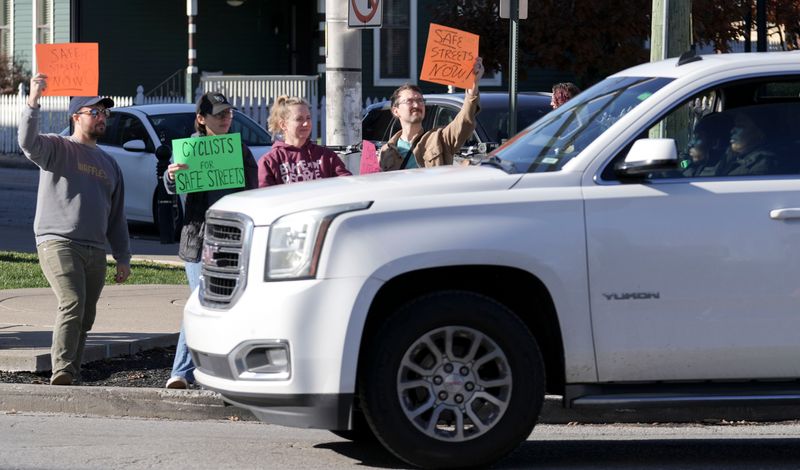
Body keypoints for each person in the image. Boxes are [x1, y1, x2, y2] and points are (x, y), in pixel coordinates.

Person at [18, 73, 131, 386]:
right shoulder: (57, 147)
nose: (101, 117)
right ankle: (63, 370)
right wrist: (33, 101)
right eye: (94, 111)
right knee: (72, 301)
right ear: (76, 117)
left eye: (104, 112)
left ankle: (74, 373)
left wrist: (123, 256)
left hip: (95, 249)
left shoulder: (110, 163)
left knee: (86, 315)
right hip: (58, 241)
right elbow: (27, 143)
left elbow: (117, 215)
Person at [163, 91, 259, 389]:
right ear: (201, 119)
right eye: (219, 114)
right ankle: (181, 371)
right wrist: (171, 176)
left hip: (230, 239)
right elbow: (171, 185)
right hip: (197, 238)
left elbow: (252, 192)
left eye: (228, 113)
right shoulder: (189, 149)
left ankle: (204, 371)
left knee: (221, 304)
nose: (226, 118)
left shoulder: (239, 149)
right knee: (200, 301)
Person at [378, 57, 485, 171]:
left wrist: (473, 87)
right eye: (409, 101)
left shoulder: (440, 139)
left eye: (420, 101)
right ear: (396, 111)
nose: (416, 105)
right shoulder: (387, 150)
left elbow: (464, 122)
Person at [258, 95, 351, 187]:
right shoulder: (270, 161)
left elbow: (348, 184)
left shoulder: (327, 156)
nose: (306, 123)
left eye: (308, 118)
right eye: (299, 119)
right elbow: (265, 197)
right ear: (283, 125)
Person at [718, 111, 775, 176]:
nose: (732, 131)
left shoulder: (762, 164)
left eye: (740, 126)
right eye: (734, 125)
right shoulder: (729, 155)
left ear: (759, 134)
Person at [681, 112, 733, 177]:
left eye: (698, 138)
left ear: (715, 143)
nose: (690, 144)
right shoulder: (699, 165)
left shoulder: (711, 175)